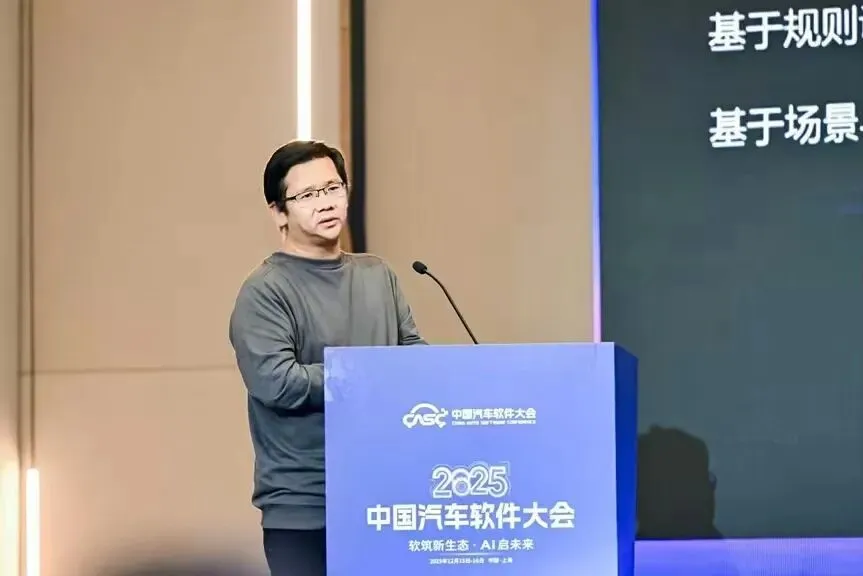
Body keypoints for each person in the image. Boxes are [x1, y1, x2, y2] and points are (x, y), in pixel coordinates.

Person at [228, 140, 426, 576]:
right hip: (307, 509)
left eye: (333, 188)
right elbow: (277, 383)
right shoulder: (265, 292)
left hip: (386, 497)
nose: (326, 202)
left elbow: (414, 359)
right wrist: (369, 375)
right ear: (278, 213)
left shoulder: (378, 275)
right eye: (307, 195)